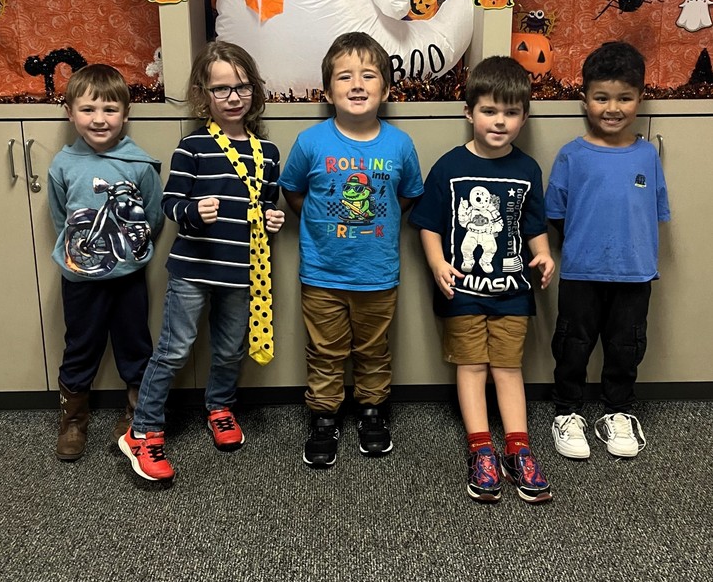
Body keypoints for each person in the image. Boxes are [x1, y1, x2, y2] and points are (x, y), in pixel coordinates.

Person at [118, 41, 285, 482]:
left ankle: (220, 407)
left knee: (230, 348)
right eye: (221, 89)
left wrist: (273, 217)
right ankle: (144, 431)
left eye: (242, 87)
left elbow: (267, 204)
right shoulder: (192, 146)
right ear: (203, 95)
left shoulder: (267, 154)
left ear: (255, 91)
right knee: (174, 350)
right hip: (193, 269)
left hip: (243, 269)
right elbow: (170, 204)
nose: (233, 98)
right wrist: (193, 211)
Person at [409, 56, 555, 504]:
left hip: (512, 293)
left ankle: (518, 447)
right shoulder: (449, 166)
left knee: (508, 370)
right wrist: (437, 263)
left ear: (524, 118)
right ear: (468, 111)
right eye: (490, 110)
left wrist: (544, 254)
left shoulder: (527, 169)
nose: (500, 121)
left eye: (511, 113)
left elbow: (533, 224)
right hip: (462, 293)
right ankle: (480, 450)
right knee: (472, 368)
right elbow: (428, 222)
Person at [279, 31, 424, 468]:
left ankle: (372, 411)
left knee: (374, 350)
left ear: (386, 88)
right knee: (325, 351)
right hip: (322, 273)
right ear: (328, 91)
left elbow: (408, 194)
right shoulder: (311, 142)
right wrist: (329, 223)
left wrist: (374, 222)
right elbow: (293, 192)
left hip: (377, 273)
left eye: (368, 75)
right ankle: (324, 417)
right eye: (345, 77)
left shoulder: (399, 145)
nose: (357, 84)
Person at [545, 40, 670, 460]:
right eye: (601, 97)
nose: (612, 108)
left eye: (624, 98)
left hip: (635, 273)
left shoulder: (648, 155)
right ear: (585, 100)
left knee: (627, 346)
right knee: (573, 343)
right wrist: (586, 245)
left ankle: (617, 411)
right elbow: (557, 214)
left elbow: (653, 213)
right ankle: (567, 411)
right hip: (581, 272)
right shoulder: (571, 155)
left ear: (640, 99)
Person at [48, 64, 164, 461]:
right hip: (80, 278)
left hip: (128, 275)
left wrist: (135, 251)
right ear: (70, 113)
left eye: (110, 109)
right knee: (81, 344)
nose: (99, 119)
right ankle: (74, 420)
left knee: (135, 343)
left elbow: (153, 216)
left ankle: (137, 413)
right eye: (88, 109)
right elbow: (60, 216)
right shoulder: (63, 164)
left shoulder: (140, 164)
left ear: (126, 114)